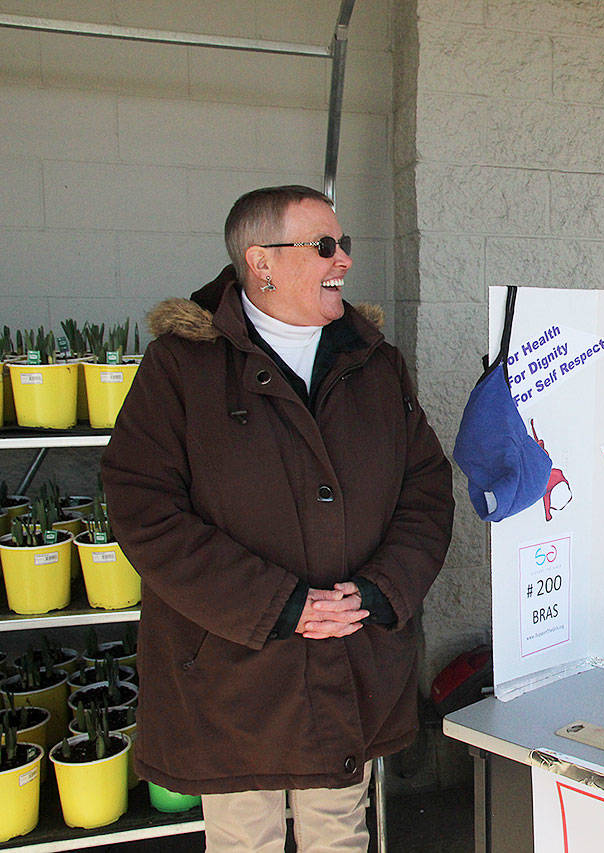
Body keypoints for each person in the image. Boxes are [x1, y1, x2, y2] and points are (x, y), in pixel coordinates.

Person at [100, 185, 455, 851]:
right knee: (245, 842)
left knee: (340, 834)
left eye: (343, 244)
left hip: (349, 661)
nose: (344, 259)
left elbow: (426, 490)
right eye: (325, 245)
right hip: (234, 674)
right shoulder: (181, 368)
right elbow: (144, 508)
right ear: (260, 262)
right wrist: (280, 604)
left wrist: (382, 590)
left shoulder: (376, 364)